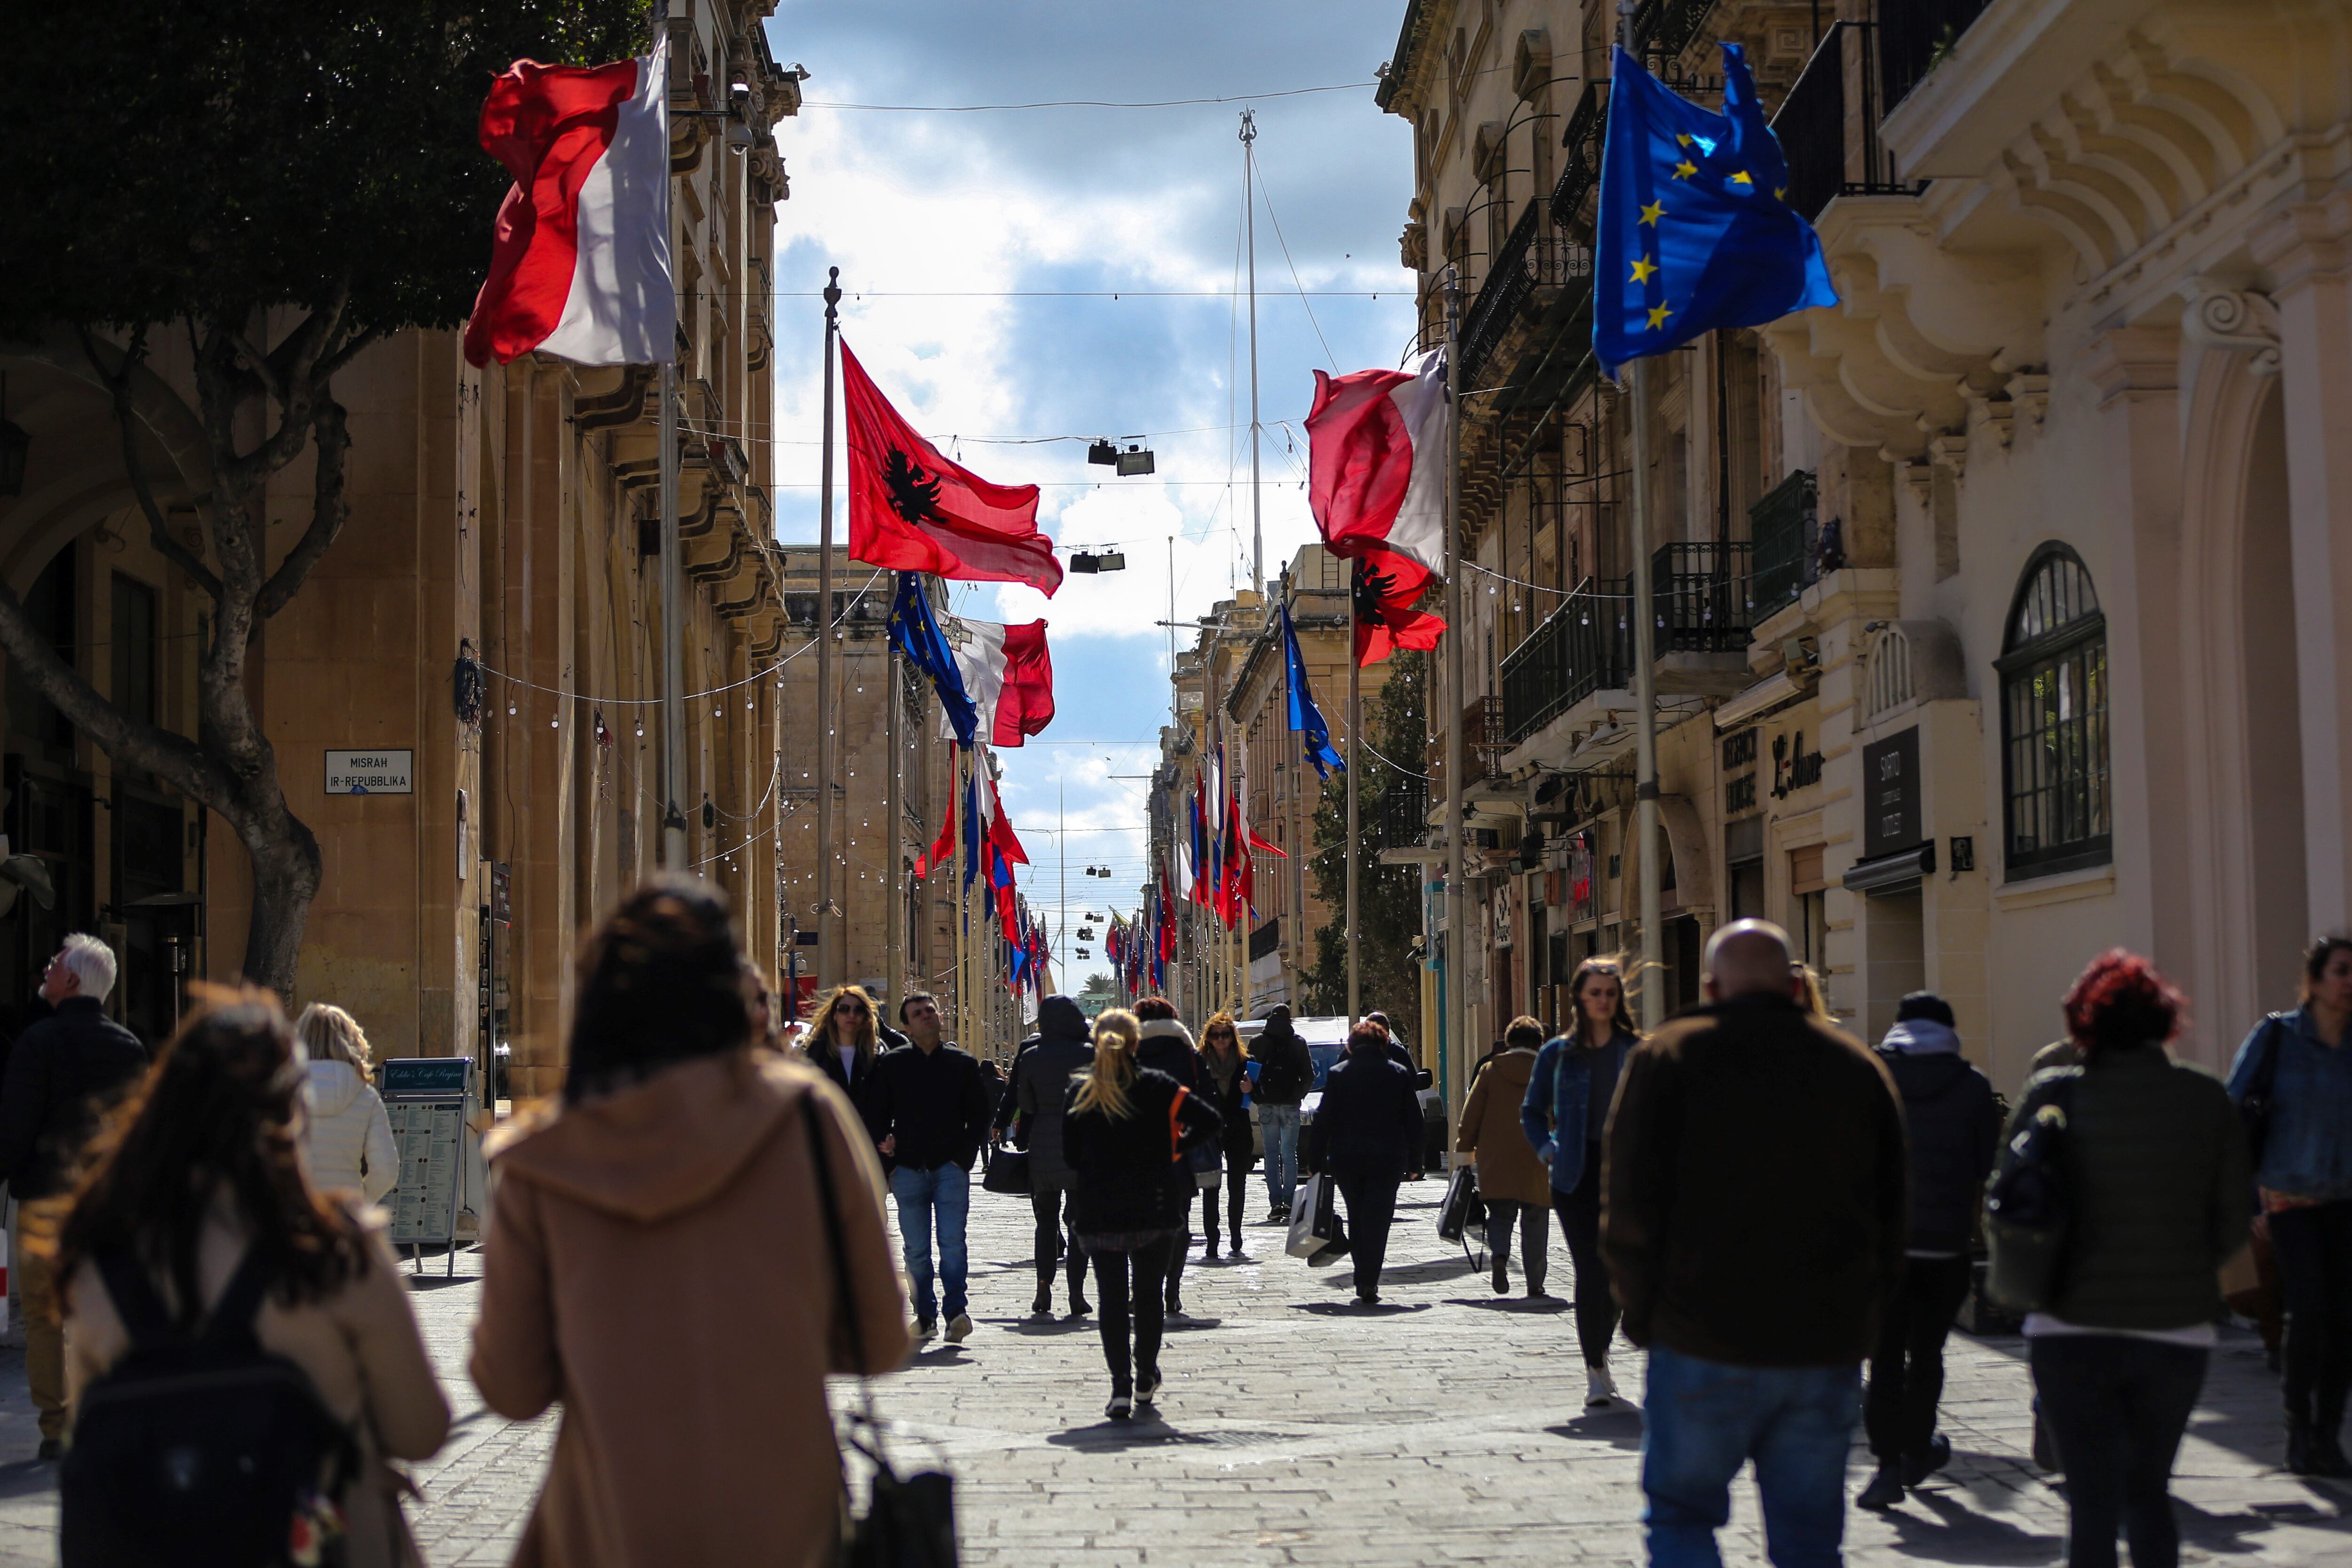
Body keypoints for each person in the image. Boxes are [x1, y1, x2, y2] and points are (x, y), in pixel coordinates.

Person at [471, 881, 908, 1566]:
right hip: (785, 1523)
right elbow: (880, 1339)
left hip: (605, 1525)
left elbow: (511, 1387)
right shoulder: (805, 1118)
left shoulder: (538, 1160)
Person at [57, 989, 449, 1564]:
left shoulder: (102, 1267)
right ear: (291, 1114)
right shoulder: (337, 1253)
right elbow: (421, 1430)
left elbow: (85, 1433)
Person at [1603, 920, 1906, 1568]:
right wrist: (1866, 1320)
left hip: (1698, 1335)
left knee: (1682, 1518)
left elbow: (1628, 1203)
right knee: (1808, 1539)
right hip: (1820, 1345)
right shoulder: (1856, 1067)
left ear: (1710, 987)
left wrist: (1642, 1312)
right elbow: (1893, 1212)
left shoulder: (1668, 1056)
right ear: (1798, 986)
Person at [2005, 950, 2249, 1568]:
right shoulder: (2204, 1098)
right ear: (2165, 1020)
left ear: (2082, 1022)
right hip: (2174, 1328)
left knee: (2090, 1504)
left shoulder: (2052, 1094)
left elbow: (2005, 1200)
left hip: (2068, 1325)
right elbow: (2231, 1220)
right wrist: (2190, 1268)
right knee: (2147, 1493)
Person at [0, 933, 149, 1457]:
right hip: (103, 1206)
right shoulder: (129, 1048)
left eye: (54, 965)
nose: (46, 970)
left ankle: (56, 1426)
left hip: (44, 1204)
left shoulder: (38, 1043)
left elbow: (14, 1129)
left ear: (72, 980)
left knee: (45, 1315)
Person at [1858, 992, 2001, 1511]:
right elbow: (1987, 1164)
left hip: (1883, 1247)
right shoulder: (1972, 1086)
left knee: (1884, 1358)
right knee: (1927, 1356)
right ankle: (1917, 1448)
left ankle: (1887, 1466)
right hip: (1945, 1246)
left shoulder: (1871, 1077)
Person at [2226, 931, 2352, 1475]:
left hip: (2345, 1198)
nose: (2349, 983)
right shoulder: (2277, 1036)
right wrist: (2247, 1200)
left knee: (2345, 1321)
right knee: (2308, 1311)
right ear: (2314, 979)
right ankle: (2298, 1429)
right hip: (2287, 1197)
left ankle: (2328, 1435)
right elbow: (2232, 1117)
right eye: (2341, 971)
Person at [1062, 1008, 1219, 1420]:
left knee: (1111, 1299)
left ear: (1096, 1042)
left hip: (1100, 1210)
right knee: (1148, 1296)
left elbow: (1071, 1156)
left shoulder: (1080, 1092)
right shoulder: (1158, 1085)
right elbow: (1209, 1119)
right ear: (1137, 1043)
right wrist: (1175, 1149)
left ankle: (1119, 1387)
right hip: (1155, 1206)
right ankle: (1147, 1371)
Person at [1521, 957, 1641, 1407]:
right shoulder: (1558, 1054)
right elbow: (1532, 1111)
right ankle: (1595, 1366)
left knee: (1622, 1270)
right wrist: (1548, 1150)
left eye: (1610, 993)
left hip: (1627, 1172)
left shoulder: (1637, 1050)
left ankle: (1602, 1343)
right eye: (1595, 993)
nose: (1603, 1001)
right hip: (1575, 1172)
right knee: (1591, 1269)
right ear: (1579, 997)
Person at [868, 984, 994, 1343]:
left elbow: (979, 1114)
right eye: (918, 1013)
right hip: (907, 1170)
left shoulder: (962, 1063)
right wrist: (887, 1158)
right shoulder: (891, 1065)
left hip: (949, 1168)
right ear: (906, 1026)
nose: (927, 1016)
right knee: (916, 1249)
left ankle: (956, 1310)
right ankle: (925, 1315)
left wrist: (964, 1158)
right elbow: (877, 1115)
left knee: (953, 1242)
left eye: (931, 1010)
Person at [1306, 1020, 1424, 1306]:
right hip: (1387, 1159)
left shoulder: (1338, 1074)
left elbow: (1323, 1121)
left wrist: (1315, 1161)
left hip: (1348, 1160)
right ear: (1384, 1044)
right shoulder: (1397, 1074)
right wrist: (1417, 1161)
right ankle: (1369, 1279)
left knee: (1357, 1216)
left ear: (1351, 1046)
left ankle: (1363, 1275)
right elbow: (1414, 1121)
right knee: (1378, 1219)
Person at [1009, 995, 1095, 1318]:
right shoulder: (1090, 1054)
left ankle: (1043, 1287)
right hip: (1081, 1144)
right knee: (1077, 1223)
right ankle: (1076, 1293)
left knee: (1045, 1222)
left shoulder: (1031, 1056)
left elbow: (1026, 1104)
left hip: (1043, 1144)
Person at [1460, 1016, 1551, 1297]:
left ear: (1508, 1042)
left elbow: (1471, 1115)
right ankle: (1535, 1281)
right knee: (1535, 1217)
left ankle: (1499, 1256)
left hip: (1496, 1156)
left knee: (1500, 1214)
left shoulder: (1490, 1070)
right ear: (1540, 1043)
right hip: (1537, 1153)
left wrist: (1464, 1154)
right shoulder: (1547, 1071)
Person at [1133, 997, 1202, 1315]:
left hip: (1138, 1153)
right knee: (1179, 1224)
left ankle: (1144, 1288)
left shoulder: (1127, 1053)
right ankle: (1171, 1290)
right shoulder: (1186, 1053)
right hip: (1175, 1149)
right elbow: (1202, 1100)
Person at [294, 1003, 398, 1204]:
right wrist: (360, 1203)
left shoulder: (284, 1094)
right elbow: (386, 1170)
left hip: (295, 1211)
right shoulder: (366, 1096)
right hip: (344, 1212)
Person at [1196, 1010, 1256, 1259]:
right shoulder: (1200, 1063)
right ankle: (1212, 1239)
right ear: (1208, 1038)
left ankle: (1236, 1234)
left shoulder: (1246, 1063)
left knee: (1237, 1186)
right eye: (1215, 1035)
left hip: (1238, 1128)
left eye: (1225, 1035)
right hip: (1210, 1130)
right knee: (1211, 1187)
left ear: (1233, 1038)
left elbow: (1259, 1096)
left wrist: (1252, 1088)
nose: (1221, 1040)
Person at [1252, 1005, 1313, 1223]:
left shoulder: (1258, 1042)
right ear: (1289, 1020)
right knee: (1289, 1154)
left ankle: (1275, 1204)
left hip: (1266, 1105)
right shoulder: (1298, 1043)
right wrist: (1297, 1096)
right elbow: (1309, 1075)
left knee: (1271, 1155)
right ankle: (1289, 1202)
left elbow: (1251, 1074)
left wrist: (1257, 1097)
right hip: (1290, 1105)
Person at [805, 984, 884, 1147]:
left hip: (867, 1145)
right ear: (834, 1015)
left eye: (858, 1010)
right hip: (825, 1143)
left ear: (866, 1017)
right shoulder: (814, 1054)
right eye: (844, 1009)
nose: (851, 1015)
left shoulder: (877, 1055)